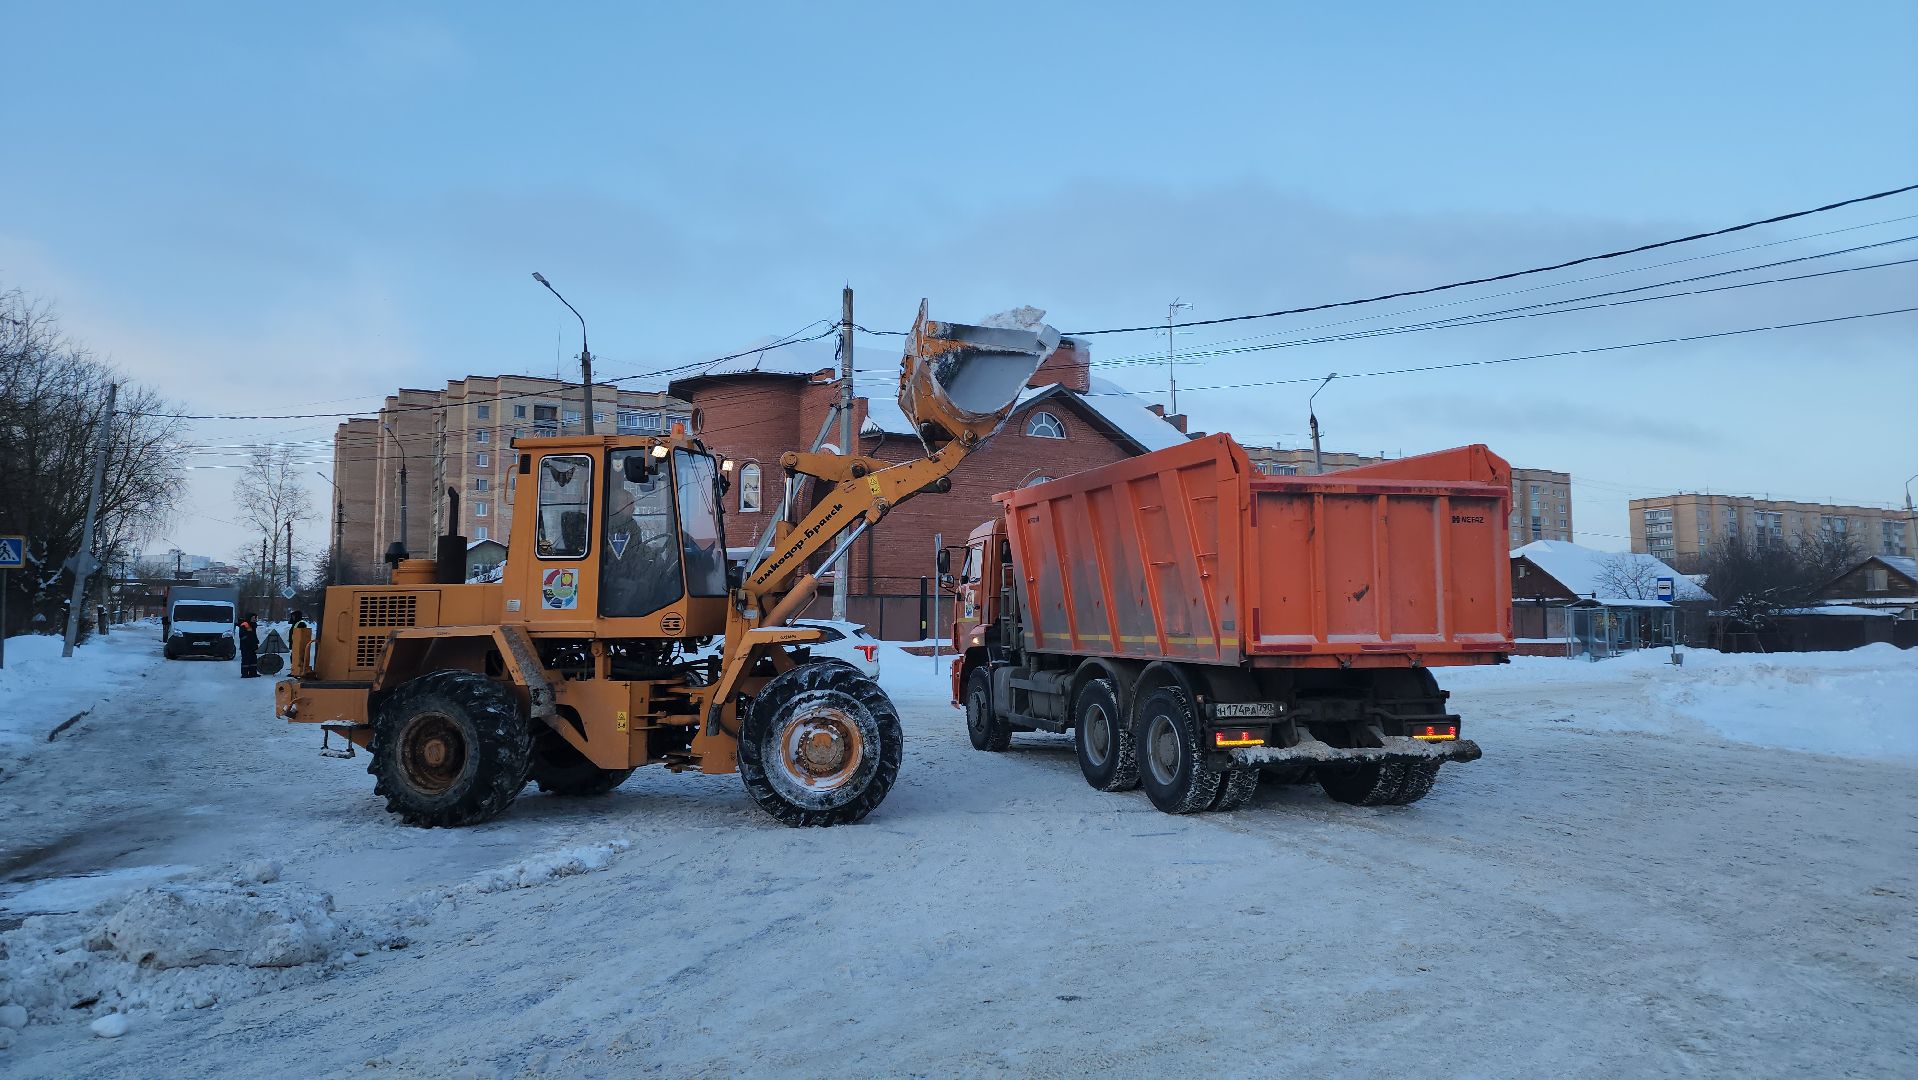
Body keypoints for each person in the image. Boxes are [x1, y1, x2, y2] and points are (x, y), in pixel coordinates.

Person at [288, 609, 313, 678]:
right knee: (294, 657)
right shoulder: (296, 623)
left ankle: (298, 670)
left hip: (298, 644)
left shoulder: (301, 623)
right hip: (295, 643)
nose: (292, 617)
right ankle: (295, 670)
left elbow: (301, 634)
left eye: (293, 616)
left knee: (298, 658)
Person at [237, 611, 260, 678]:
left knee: (253, 660)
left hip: (253, 645)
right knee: (246, 660)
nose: (255, 619)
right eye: (253, 618)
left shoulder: (253, 625)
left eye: (255, 618)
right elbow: (243, 636)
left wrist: (255, 643)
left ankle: (253, 673)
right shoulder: (244, 624)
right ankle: (245, 674)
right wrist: (250, 641)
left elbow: (253, 635)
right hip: (245, 646)